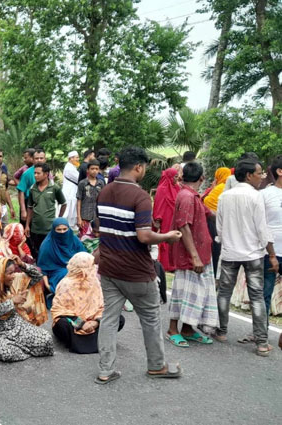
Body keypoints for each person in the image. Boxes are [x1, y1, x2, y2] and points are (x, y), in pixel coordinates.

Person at [95, 146, 183, 384]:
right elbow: (144, 236)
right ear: (138, 167)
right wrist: (167, 236)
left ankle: (106, 369)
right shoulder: (141, 196)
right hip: (136, 270)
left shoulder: (104, 191)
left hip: (109, 268)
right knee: (151, 317)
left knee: (109, 319)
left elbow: (99, 228)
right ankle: (156, 366)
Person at [214, 159, 277, 356]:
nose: (262, 177)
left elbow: (220, 228)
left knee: (224, 293)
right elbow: (262, 229)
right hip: (253, 254)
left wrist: (227, 243)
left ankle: (222, 331)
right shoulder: (255, 197)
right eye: (259, 173)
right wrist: (272, 254)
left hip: (230, 253)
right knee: (257, 297)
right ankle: (261, 343)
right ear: (249, 175)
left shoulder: (225, 196)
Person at [166, 162, 217, 347]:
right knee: (183, 291)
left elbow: (209, 214)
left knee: (196, 294)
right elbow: (183, 226)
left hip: (201, 253)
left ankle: (187, 329)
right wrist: (194, 256)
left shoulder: (194, 196)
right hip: (189, 255)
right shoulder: (187, 196)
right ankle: (173, 329)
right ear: (202, 178)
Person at [0, 257, 52, 361]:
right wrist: (12, 302)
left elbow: (37, 276)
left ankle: (21, 346)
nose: (13, 276)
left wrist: (22, 265)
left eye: (14, 272)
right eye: (9, 273)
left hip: (14, 324)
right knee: (6, 351)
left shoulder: (11, 280)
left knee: (46, 339)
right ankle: (26, 347)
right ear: (0, 273)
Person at [51, 252, 121, 354]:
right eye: (91, 265)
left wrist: (96, 322)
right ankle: (88, 338)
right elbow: (60, 310)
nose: (94, 268)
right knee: (62, 324)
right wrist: (81, 324)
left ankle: (93, 335)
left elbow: (102, 305)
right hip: (74, 323)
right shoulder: (66, 283)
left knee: (118, 318)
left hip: (93, 321)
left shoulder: (94, 281)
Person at [36, 217, 86, 307]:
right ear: (54, 230)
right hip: (56, 272)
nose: (62, 232)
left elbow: (84, 256)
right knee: (65, 274)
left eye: (64, 229)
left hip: (75, 268)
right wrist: (47, 286)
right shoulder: (47, 245)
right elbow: (43, 269)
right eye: (59, 230)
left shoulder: (74, 240)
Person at [25, 163, 66, 256]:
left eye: (38, 173)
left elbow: (63, 204)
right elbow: (30, 207)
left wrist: (59, 220)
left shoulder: (55, 187)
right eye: (34, 173)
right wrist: (27, 225)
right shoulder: (32, 188)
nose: (35, 175)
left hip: (50, 227)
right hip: (36, 227)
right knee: (37, 251)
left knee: (50, 251)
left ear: (46, 174)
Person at [261, 156, 282, 316]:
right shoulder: (265, 194)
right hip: (270, 253)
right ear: (279, 171)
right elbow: (261, 225)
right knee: (265, 295)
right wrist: (272, 254)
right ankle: (261, 335)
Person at [153, 167, 182, 272]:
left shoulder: (177, 188)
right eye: (175, 176)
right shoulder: (162, 189)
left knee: (175, 238)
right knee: (166, 238)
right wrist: (158, 218)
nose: (177, 178)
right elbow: (158, 204)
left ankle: (173, 263)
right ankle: (165, 264)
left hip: (174, 217)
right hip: (166, 217)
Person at [76, 159, 105, 237]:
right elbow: (79, 200)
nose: (94, 171)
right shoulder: (82, 183)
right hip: (85, 217)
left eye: (96, 169)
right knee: (85, 239)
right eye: (92, 169)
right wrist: (79, 218)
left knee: (97, 239)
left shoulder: (101, 183)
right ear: (87, 170)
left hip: (97, 217)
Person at [61, 151, 80, 230]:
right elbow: (79, 178)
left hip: (72, 190)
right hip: (69, 192)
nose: (78, 159)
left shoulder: (71, 167)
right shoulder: (69, 168)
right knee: (69, 209)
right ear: (71, 158)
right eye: (77, 157)